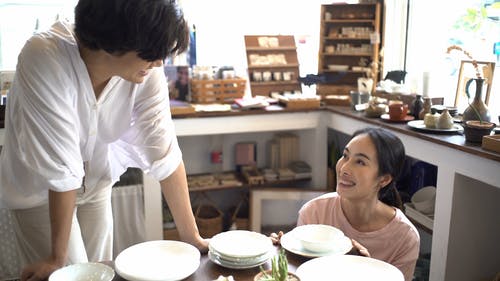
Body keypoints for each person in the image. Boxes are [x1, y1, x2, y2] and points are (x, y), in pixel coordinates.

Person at [0, 0, 207, 280]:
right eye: (152, 51)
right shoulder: (45, 56)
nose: (159, 62)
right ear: (118, 39)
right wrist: (56, 259)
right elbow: (60, 169)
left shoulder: (147, 71)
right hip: (40, 191)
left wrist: (192, 239)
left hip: (96, 183)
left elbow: (164, 151)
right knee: (69, 273)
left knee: (100, 273)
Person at [272, 127, 419, 281]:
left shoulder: (405, 237)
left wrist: (362, 267)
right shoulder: (314, 212)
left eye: (360, 162)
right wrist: (280, 254)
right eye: (345, 156)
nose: (344, 168)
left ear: (384, 179)